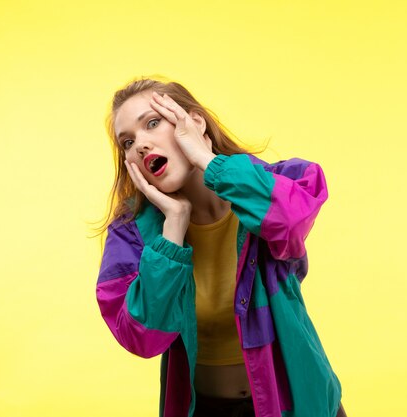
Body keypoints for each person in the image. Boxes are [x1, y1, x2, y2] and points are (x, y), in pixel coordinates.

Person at [95, 78, 346, 417]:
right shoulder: (132, 234)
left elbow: (290, 222)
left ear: (194, 122)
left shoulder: (267, 186)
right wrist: (173, 228)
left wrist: (209, 162)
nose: (140, 144)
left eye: (152, 123)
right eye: (127, 141)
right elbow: (142, 337)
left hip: (298, 404)